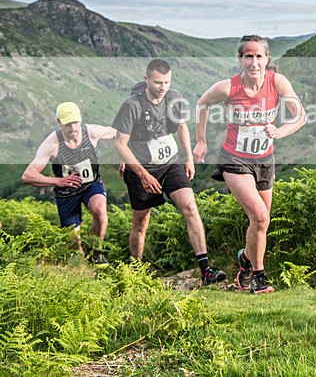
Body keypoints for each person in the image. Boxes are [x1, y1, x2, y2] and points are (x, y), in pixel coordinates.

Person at [193, 35, 306, 294]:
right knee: (259, 216)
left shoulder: (277, 82)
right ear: (240, 60)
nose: (254, 62)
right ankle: (258, 276)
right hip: (235, 159)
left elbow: (300, 116)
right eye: (248, 56)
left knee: (261, 223)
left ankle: (245, 258)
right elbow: (202, 104)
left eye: (259, 56)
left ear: (267, 59)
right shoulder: (227, 87)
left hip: (265, 159)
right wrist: (201, 141)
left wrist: (280, 131)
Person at [113, 59, 225, 285]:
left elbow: (181, 126)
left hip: (171, 163)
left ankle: (206, 269)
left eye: (166, 82)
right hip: (142, 168)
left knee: (190, 208)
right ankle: (136, 272)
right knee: (141, 222)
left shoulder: (175, 98)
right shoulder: (131, 105)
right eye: (157, 82)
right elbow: (120, 144)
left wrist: (189, 158)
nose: (162, 87)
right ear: (146, 79)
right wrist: (143, 175)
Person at [22, 102, 116, 266]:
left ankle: (96, 250)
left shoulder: (92, 132)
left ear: (80, 120)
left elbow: (117, 132)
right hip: (66, 192)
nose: (73, 128)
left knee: (100, 211)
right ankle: (82, 267)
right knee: (74, 245)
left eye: (75, 122)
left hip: (91, 184)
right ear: (59, 123)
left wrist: (126, 158)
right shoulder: (52, 144)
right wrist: (59, 181)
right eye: (67, 124)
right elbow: (28, 175)